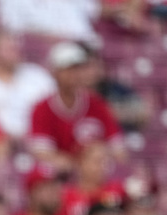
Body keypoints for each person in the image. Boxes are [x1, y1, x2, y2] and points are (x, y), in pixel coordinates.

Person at [29, 42, 124, 172]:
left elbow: (118, 149)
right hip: (62, 181)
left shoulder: (97, 104)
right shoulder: (42, 109)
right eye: (69, 69)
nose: (75, 74)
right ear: (55, 72)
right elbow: (42, 153)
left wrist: (96, 158)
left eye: (78, 69)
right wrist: (81, 165)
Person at [0, 31, 56, 140]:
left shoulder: (36, 74)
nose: (16, 51)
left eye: (15, 47)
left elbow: (56, 106)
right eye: (9, 48)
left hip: (42, 141)